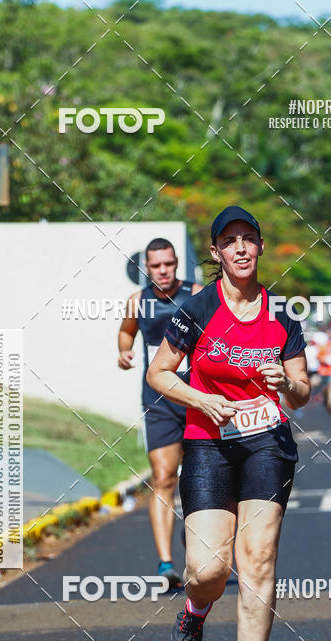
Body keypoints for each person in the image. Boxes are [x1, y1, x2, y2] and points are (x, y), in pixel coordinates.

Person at [147, 206, 310, 641]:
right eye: (229, 241)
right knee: (209, 568)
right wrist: (202, 400)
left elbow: (303, 391)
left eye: (249, 239)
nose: (241, 248)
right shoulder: (196, 310)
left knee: (257, 557)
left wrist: (288, 384)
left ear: (259, 248)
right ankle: (196, 608)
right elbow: (160, 373)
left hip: (267, 441)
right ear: (216, 253)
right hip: (209, 441)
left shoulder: (282, 316)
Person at [118, 238, 203, 588]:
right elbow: (126, 333)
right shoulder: (138, 301)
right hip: (158, 401)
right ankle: (166, 565)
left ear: (176, 263)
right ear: (147, 268)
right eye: (156, 266)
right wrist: (124, 353)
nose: (163, 271)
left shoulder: (197, 294)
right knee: (163, 477)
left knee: (202, 479)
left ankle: (195, 533)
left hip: (198, 398)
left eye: (168, 264)